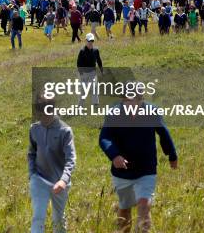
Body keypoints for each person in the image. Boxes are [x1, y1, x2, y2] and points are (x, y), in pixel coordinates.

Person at [99, 93, 178, 232]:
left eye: (135, 100)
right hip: (122, 171)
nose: (131, 104)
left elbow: (164, 134)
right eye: (127, 101)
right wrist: (114, 155)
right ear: (122, 100)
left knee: (144, 206)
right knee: (124, 209)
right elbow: (104, 137)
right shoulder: (114, 114)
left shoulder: (152, 112)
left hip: (146, 168)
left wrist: (172, 154)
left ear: (141, 99)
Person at [28, 97, 76, 233]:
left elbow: (71, 158)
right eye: (39, 113)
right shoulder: (34, 129)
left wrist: (63, 180)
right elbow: (31, 153)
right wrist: (32, 174)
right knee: (38, 216)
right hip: (39, 179)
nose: (41, 117)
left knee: (58, 218)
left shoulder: (65, 130)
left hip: (60, 183)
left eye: (44, 113)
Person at [76, 33, 103, 105]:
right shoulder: (82, 51)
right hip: (84, 74)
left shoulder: (96, 50)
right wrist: (82, 75)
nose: (90, 43)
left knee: (94, 88)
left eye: (92, 41)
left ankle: (95, 104)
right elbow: (79, 64)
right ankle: (80, 105)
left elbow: (99, 61)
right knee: (83, 90)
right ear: (86, 41)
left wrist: (101, 70)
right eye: (89, 41)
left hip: (93, 73)